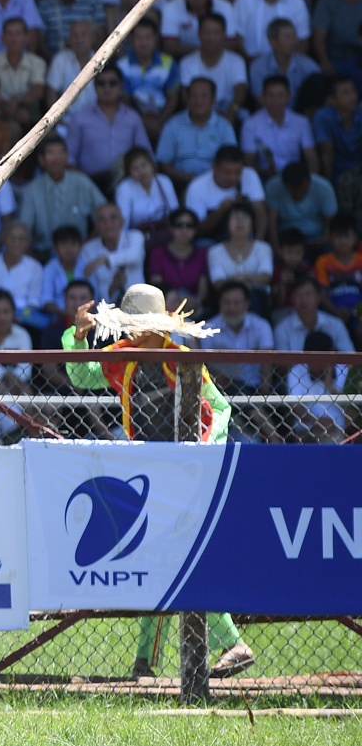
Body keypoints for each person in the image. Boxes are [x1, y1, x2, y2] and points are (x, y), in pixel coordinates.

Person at [59, 284, 255, 678]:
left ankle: (232, 644)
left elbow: (219, 408)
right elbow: (81, 374)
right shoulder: (120, 358)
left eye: (135, 323)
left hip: (186, 472)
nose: (129, 330)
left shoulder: (179, 359)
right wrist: (77, 336)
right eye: (127, 324)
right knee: (162, 560)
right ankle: (146, 661)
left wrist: (200, 451)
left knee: (171, 560)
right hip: (148, 471)